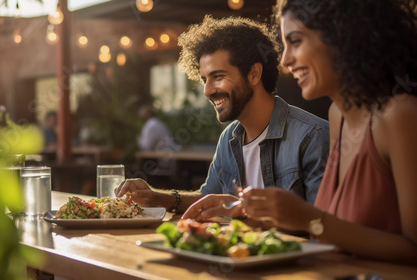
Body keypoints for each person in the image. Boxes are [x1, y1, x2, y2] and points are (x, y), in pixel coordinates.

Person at [183, 0, 417, 265]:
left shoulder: (399, 116)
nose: (285, 60)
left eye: (295, 41)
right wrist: (259, 213)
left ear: (342, 37)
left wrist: (308, 219)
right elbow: (335, 234)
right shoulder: (338, 117)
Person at [116, 15, 329, 218]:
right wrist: (157, 197)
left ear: (254, 74)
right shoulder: (230, 138)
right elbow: (209, 198)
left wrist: (246, 216)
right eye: (204, 79)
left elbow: (322, 226)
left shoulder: (311, 138)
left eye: (218, 76)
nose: (207, 91)